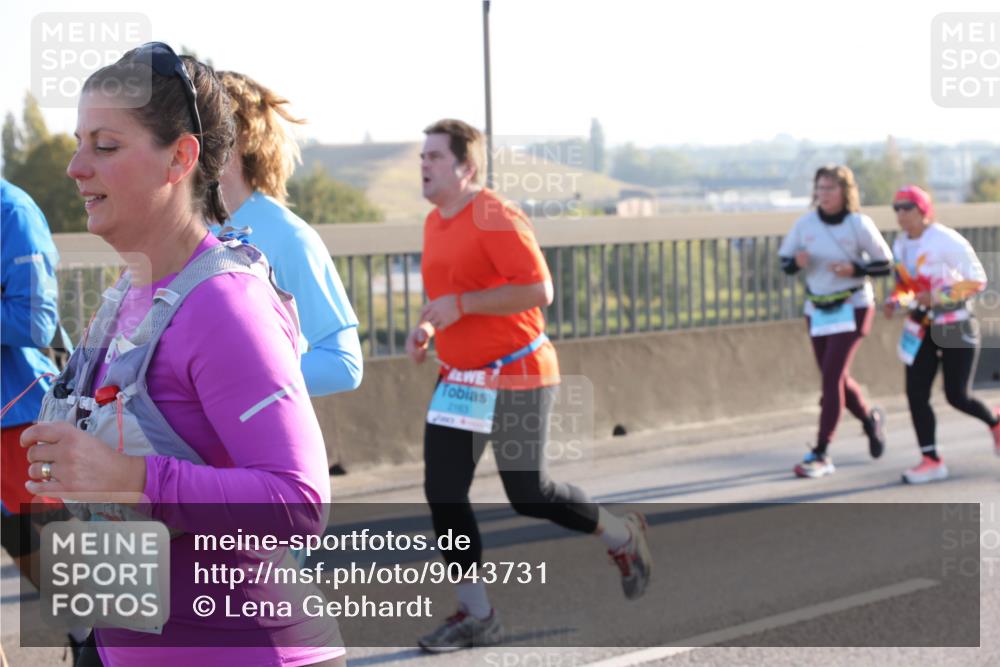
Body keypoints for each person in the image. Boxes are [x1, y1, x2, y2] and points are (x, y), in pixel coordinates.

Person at [20, 43, 344, 666]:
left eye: (105, 146)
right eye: (78, 141)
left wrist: (133, 480)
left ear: (180, 158)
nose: (75, 167)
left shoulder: (226, 306)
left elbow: (299, 504)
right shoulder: (129, 295)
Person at [406, 119, 653, 653]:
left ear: (466, 167)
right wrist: (430, 326)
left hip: (518, 373)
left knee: (529, 494)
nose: (423, 165)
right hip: (461, 382)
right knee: (444, 494)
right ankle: (477, 614)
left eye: (434, 157)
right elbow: (452, 296)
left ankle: (620, 534)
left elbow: (539, 288)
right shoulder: (434, 223)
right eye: (422, 156)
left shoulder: (494, 213)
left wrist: (463, 306)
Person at [217, 70, 361, 396]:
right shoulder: (178, 230)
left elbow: (344, 364)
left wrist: (234, 378)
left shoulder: (288, 236)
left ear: (240, 136)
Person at [778, 165, 893, 478]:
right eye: (820, 188)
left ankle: (821, 452)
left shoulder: (859, 224)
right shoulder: (805, 224)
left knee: (830, 379)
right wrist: (796, 262)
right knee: (837, 379)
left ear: (845, 192)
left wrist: (856, 269)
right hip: (818, 309)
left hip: (853, 306)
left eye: (830, 188)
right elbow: (785, 262)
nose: (823, 194)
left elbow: (884, 265)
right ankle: (870, 419)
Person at [883, 185, 1000, 484]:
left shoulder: (945, 240)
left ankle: (995, 422)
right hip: (921, 327)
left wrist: (937, 297)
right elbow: (907, 287)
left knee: (957, 396)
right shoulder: (900, 245)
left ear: (923, 210)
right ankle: (931, 459)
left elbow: (977, 280)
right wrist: (897, 299)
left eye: (907, 206)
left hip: (955, 324)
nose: (901, 214)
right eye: (897, 208)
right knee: (915, 393)